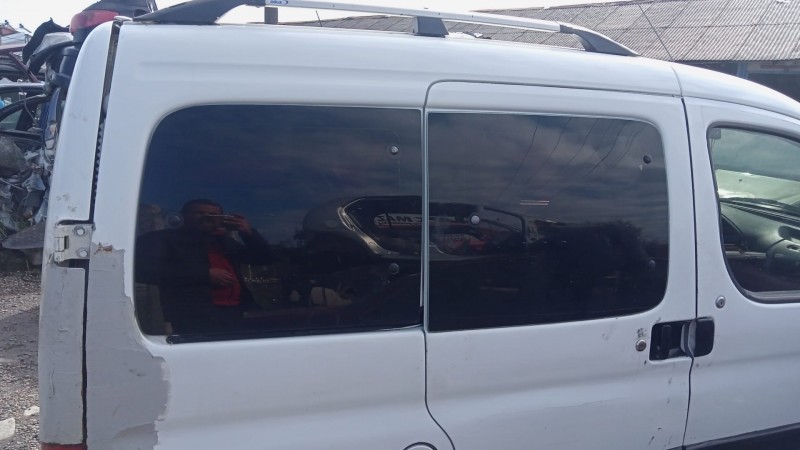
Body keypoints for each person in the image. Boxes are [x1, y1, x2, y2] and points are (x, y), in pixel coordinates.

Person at [135, 199, 273, 334]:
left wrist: (248, 233)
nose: (207, 217)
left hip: (234, 313)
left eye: (214, 215)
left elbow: (264, 259)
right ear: (182, 216)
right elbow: (143, 271)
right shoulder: (161, 239)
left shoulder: (224, 242)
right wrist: (204, 274)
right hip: (191, 316)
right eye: (200, 213)